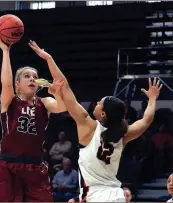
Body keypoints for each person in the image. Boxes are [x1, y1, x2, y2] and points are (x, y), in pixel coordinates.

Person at [29, 40, 162, 202]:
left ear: (103, 114)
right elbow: (146, 120)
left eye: (99, 103)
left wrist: (49, 59)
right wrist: (153, 99)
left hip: (94, 196)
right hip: (116, 195)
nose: (96, 103)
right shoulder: (123, 134)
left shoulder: (88, 125)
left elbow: (64, 86)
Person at [0, 32, 66, 202]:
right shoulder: (9, 101)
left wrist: (58, 93)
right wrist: (5, 51)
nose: (32, 79)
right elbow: (6, 83)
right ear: (17, 84)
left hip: (35, 166)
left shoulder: (45, 102)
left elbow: (62, 106)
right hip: (9, 165)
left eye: (35, 77)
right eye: (27, 76)